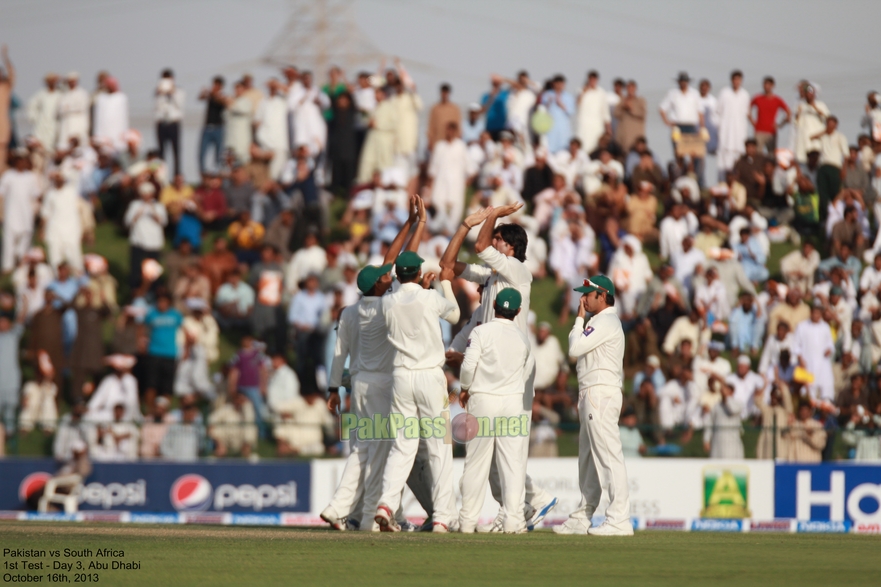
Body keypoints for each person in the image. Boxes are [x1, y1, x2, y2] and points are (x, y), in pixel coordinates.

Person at [322, 196, 425, 532]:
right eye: (383, 277)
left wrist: (333, 388)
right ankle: (367, 517)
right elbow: (397, 263)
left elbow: (339, 354)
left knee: (362, 449)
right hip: (383, 386)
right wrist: (417, 226)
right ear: (379, 286)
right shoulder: (389, 306)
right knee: (379, 453)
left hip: (359, 386)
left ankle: (340, 508)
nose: (388, 275)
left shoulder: (350, 312)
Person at [374, 249, 461, 532]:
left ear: (398, 275)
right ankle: (441, 518)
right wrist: (443, 284)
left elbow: (406, 305)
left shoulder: (387, 302)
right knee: (439, 447)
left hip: (401, 377)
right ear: (419, 273)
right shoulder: (430, 297)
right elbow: (455, 314)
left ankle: (386, 504)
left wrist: (421, 288)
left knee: (403, 444)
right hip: (430, 377)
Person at [555, 275, 632, 536]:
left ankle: (620, 519)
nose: (583, 299)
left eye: (588, 294)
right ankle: (582, 516)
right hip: (591, 392)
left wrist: (577, 319)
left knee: (608, 456)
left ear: (602, 295)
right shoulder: (599, 321)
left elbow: (575, 348)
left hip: (600, 392)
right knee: (588, 459)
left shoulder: (607, 321)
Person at [458, 288, 535, 534]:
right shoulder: (523, 337)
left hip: (483, 399)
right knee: (512, 464)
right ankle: (513, 521)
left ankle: (468, 522)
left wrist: (464, 388)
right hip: (512, 402)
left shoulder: (481, 331)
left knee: (476, 463)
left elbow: (468, 365)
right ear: (519, 311)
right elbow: (527, 372)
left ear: (493, 304)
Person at [428, 122, 475, 234]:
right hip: (441, 183)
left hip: (456, 183)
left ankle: (450, 234)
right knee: (439, 207)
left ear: (456, 132)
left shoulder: (461, 146)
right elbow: (432, 169)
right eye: (448, 130)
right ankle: (438, 232)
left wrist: (468, 182)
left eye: (452, 130)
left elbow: (471, 168)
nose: (449, 133)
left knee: (456, 209)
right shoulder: (439, 146)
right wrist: (429, 186)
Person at [123, 181, 167, 290]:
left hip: (154, 242)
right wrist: (139, 212)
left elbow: (163, 222)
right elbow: (128, 221)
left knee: (153, 268)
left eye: (149, 193)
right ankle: (135, 289)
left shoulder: (159, 206)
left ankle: (153, 289)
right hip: (138, 241)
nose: (146, 195)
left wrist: (152, 210)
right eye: (144, 193)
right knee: (136, 267)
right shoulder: (134, 205)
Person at [142, 292, 183, 406]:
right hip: (154, 352)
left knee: (167, 387)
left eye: (164, 301)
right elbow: (142, 327)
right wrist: (142, 343)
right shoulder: (152, 314)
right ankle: (149, 411)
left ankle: (163, 412)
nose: (161, 304)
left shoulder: (176, 315)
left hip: (170, 354)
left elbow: (184, 330)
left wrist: (186, 350)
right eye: (159, 301)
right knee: (151, 384)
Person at [716, 70, 751, 176]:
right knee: (724, 157)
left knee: (739, 155)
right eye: (735, 79)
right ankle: (722, 181)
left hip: (739, 132)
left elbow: (747, 113)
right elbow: (718, 111)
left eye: (738, 80)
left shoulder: (745, 94)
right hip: (726, 132)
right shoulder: (724, 93)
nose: (736, 82)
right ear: (731, 80)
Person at [154, 69, 185, 176]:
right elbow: (157, 108)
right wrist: (160, 93)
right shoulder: (158, 93)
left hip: (173, 123)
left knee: (176, 152)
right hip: (161, 123)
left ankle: (177, 175)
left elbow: (180, 105)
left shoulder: (179, 91)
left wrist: (172, 92)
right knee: (161, 153)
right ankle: (162, 177)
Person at [749, 76, 790, 155]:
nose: (766, 86)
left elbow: (788, 113)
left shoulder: (777, 100)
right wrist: (752, 122)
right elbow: (748, 109)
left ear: (772, 86)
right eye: (765, 84)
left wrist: (780, 125)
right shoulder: (758, 98)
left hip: (771, 132)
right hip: (759, 131)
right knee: (757, 155)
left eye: (769, 84)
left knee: (771, 155)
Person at [704, 382, 744, 458]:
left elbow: (733, 409)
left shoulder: (738, 403)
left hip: (732, 442)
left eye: (726, 390)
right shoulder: (716, 406)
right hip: (717, 442)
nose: (723, 391)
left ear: (732, 392)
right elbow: (709, 423)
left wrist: (727, 398)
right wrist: (706, 440)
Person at [576, 70, 611, 154]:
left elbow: (605, 112)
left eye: (594, 79)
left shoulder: (601, 92)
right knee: (583, 145)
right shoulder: (581, 90)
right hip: (584, 124)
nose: (592, 81)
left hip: (597, 124)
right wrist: (584, 92)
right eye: (591, 79)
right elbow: (577, 104)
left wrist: (608, 128)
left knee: (596, 145)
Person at [92, 76, 128, 152]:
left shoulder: (121, 97)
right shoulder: (101, 98)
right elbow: (98, 118)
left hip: (117, 131)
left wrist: (124, 132)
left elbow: (124, 117)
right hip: (104, 131)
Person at [27, 72, 61, 152]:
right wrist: (34, 118)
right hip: (41, 123)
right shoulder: (41, 94)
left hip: (54, 123)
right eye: (51, 80)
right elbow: (31, 105)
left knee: (52, 145)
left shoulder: (60, 94)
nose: (53, 82)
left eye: (54, 80)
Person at [198, 76, 226, 173]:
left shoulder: (223, 96)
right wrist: (205, 92)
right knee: (202, 153)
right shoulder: (210, 96)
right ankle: (203, 173)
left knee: (218, 155)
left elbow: (223, 102)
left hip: (218, 128)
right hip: (207, 128)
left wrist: (213, 94)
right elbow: (200, 98)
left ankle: (218, 174)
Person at [58, 72, 90, 149]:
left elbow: (81, 107)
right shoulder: (64, 95)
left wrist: (68, 108)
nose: (71, 83)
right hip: (66, 124)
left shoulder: (82, 93)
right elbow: (60, 109)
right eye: (70, 81)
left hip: (78, 123)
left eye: (73, 81)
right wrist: (70, 108)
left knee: (79, 143)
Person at [613, 80, 646, 153]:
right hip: (623, 136)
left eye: (632, 88)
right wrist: (623, 107)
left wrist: (631, 109)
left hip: (635, 135)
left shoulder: (640, 101)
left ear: (635, 89)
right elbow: (616, 114)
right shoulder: (622, 101)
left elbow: (643, 114)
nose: (630, 90)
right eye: (628, 88)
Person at [427, 83, 461, 150]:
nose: (444, 94)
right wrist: (430, 142)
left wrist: (458, 141)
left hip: (451, 142)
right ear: (440, 93)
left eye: (446, 92)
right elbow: (431, 127)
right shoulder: (435, 108)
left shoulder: (454, 109)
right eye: (443, 92)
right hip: (438, 141)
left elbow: (458, 127)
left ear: (449, 93)